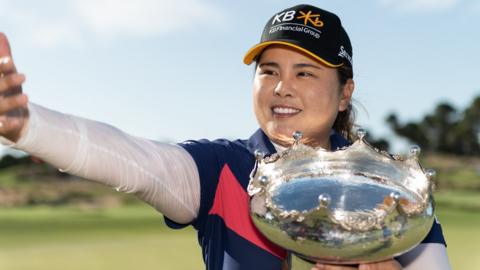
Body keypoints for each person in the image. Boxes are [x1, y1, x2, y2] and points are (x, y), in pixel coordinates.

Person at [0, 4, 451, 270]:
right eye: (268, 71)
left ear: (344, 93)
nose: (281, 87)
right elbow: (131, 160)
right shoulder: (221, 171)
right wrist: (26, 125)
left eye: (305, 72)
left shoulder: (395, 196)